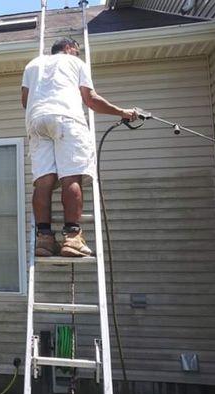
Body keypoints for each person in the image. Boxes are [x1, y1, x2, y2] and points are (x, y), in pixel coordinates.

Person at [21, 37, 137, 257]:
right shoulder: (76, 64)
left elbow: (25, 101)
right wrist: (123, 112)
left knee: (44, 181)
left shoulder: (33, 64)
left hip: (36, 121)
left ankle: (44, 239)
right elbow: (90, 100)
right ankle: (72, 238)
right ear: (68, 48)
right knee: (70, 177)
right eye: (77, 50)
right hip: (66, 119)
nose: (78, 53)